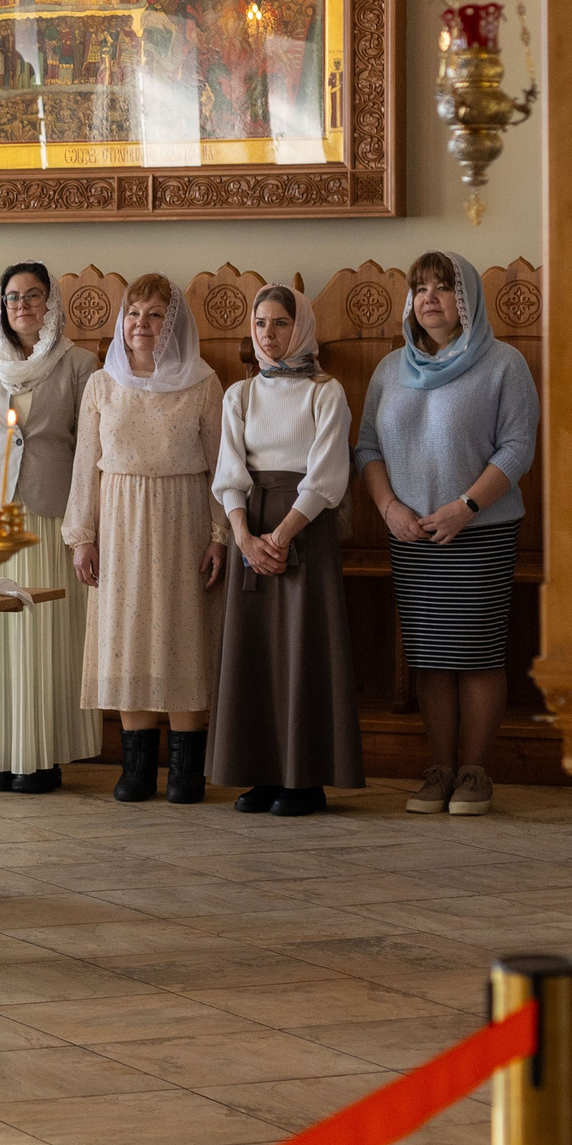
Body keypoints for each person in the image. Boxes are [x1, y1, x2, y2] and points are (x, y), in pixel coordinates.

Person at [353, 250, 539, 818]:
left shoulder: (504, 363)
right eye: (420, 288)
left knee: (477, 652)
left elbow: (518, 448)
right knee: (430, 655)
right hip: (411, 533)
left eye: (442, 287)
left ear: (467, 299)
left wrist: (466, 507)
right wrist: (388, 508)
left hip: (480, 530)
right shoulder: (389, 369)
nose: (429, 298)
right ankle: (440, 768)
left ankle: (476, 770)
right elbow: (367, 448)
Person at [64, 277, 227, 803]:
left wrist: (220, 534)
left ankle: (186, 771)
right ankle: (136, 769)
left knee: (183, 635)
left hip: (184, 519)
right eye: (133, 313)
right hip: (118, 523)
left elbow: (221, 467)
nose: (142, 324)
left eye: (155, 314)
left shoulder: (203, 383)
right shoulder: (101, 384)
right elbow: (85, 466)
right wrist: (82, 536)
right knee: (126, 638)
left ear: (173, 324)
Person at [0, 262, 102, 794]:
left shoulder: (79, 362)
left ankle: (42, 757)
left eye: (33, 295)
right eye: (12, 297)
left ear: (51, 303)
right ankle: (1, 754)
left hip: (52, 514)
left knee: (43, 634)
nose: (22, 305)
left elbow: (89, 448)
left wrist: (88, 520)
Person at [209, 285, 359, 815]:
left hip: (305, 528)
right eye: (260, 324)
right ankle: (261, 773)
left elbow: (328, 473)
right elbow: (229, 473)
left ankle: (304, 780)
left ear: (301, 328)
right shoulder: (239, 395)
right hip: (251, 528)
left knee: (303, 647)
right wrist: (245, 537)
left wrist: (283, 534)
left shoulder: (326, 392)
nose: (268, 334)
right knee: (255, 654)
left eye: (280, 323)